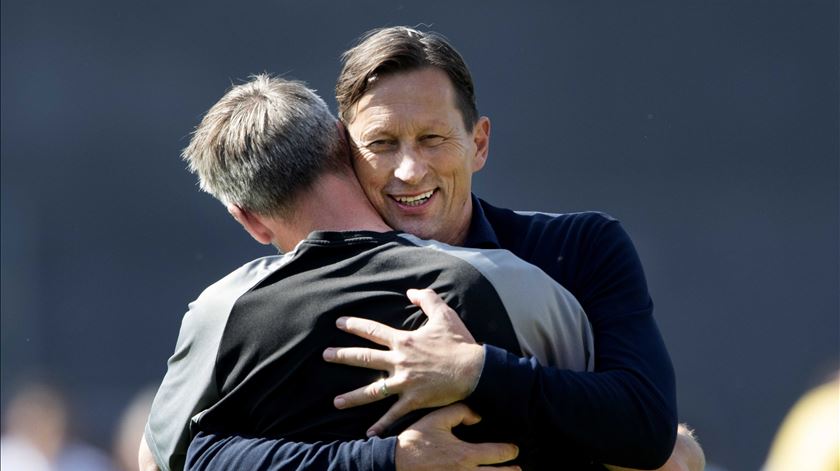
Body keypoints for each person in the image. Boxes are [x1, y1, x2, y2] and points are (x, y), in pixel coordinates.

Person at [179, 26, 704, 470]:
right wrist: (392, 458)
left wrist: (473, 371)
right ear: (343, 152)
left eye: (433, 139)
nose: (410, 170)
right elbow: (180, 454)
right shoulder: (276, 301)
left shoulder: (574, 246)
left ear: (479, 144)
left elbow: (646, 426)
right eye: (382, 144)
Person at [141, 74, 596, 471]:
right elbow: (618, 431)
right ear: (346, 143)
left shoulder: (221, 313)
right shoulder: (506, 282)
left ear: (249, 220)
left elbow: (159, 461)